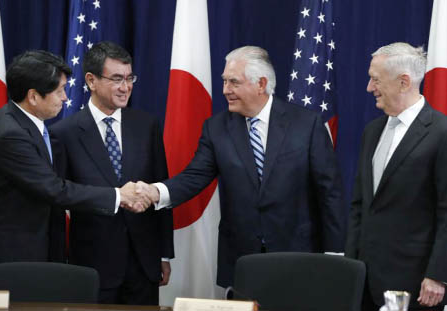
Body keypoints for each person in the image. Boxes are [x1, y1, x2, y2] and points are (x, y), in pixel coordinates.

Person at [138, 45, 346, 288]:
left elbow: (329, 192)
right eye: (225, 82)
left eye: (234, 82)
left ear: (261, 84)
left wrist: (334, 255)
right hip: (242, 259)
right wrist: (155, 192)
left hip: (297, 254)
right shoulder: (216, 128)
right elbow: (193, 177)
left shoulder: (307, 125)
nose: (226, 90)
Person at [0, 50, 147, 265]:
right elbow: (55, 189)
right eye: (59, 91)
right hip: (13, 256)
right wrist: (119, 196)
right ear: (33, 96)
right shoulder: (12, 135)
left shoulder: (24, 122)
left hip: (36, 247)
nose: (65, 98)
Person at [49, 41, 174, 305]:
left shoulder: (146, 125)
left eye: (129, 78)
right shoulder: (64, 133)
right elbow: (59, 198)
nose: (125, 87)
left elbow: (161, 187)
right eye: (117, 79)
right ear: (91, 81)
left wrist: (163, 255)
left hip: (144, 263)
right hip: (92, 265)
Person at [345, 42, 447, 310]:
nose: (369, 87)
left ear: (404, 82)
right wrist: (349, 265)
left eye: (375, 79)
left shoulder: (441, 132)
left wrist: (438, 275)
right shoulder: (372, 131)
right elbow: (360, 205)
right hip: (363, 280)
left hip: (415, 284)